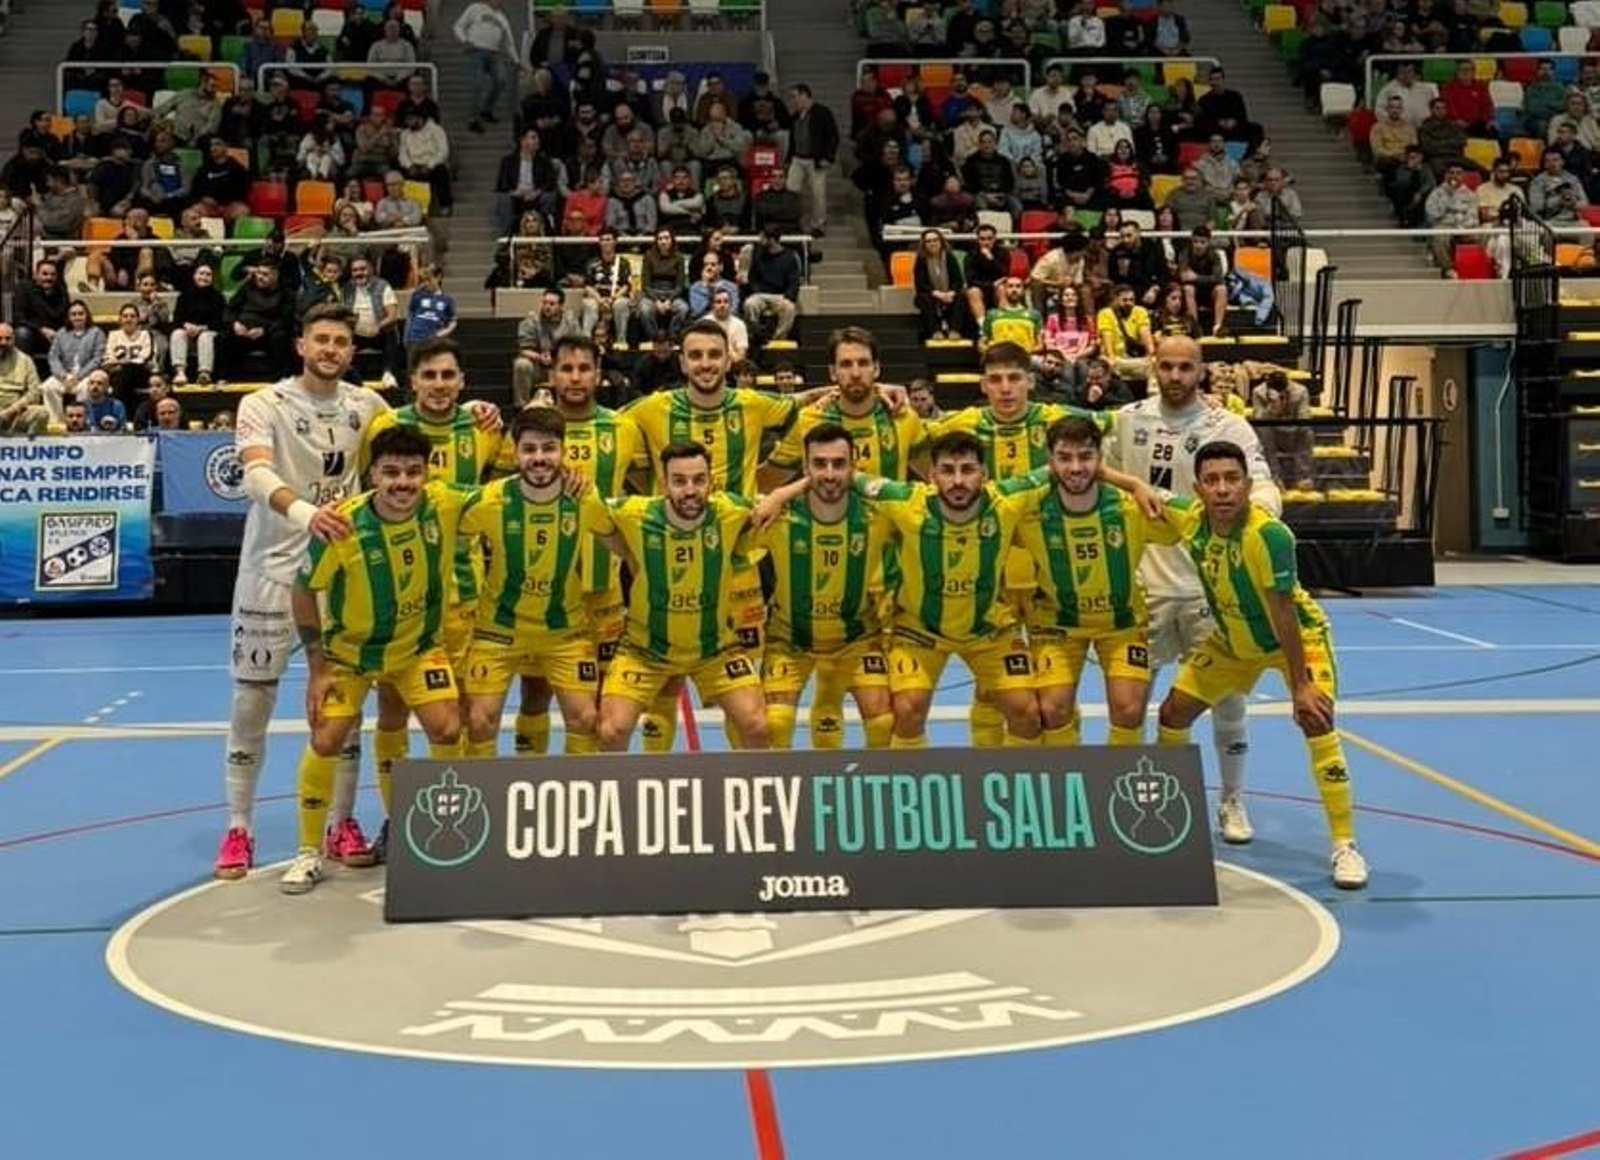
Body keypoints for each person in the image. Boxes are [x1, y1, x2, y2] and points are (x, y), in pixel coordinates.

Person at [214, 305, 390, 880]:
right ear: (301, 345)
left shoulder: (368, 406)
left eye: (341, 341)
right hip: (270, 568)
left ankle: (341, 821)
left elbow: (419, 431)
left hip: (340, 571)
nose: (331, 349)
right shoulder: (263, 403)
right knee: (252, 701)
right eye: (321, 339)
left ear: (351, 351)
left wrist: (473, 410)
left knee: (340, 704)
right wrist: (309, 512)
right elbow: (255, 472)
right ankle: (239, 828)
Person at [1147, 441, 1368, 889]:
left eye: (1232, 480)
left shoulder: (1268, 535)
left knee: (1315, 720)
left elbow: (1282, 613)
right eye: (1212, 481)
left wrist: (1301, 685)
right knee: (1172, 713)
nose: (1223, 489)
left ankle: (1345, 845)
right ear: (1199, 488)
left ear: (1247, 485)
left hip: (1294, 640)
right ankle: (1173, 817)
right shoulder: (1192, 522)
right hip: (1231, 642)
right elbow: (1137, 485)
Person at [1104, 334, 1280, 844]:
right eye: (1167, 366)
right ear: (1152, 368)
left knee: (1227, 703)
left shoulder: (1228, 425)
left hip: (1211, 588)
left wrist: (1264, 514)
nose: (1176, 376)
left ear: (1201, 370)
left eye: (1186, 367)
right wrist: (1133, 486)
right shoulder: (1128, 418)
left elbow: (1263, 482)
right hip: (1145, 587)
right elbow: (1096, 469)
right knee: (1133, 705)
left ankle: (1232, 800)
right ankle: (1136, 800)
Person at [283, 425, 468, 894]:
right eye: (391, 472)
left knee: (447, 727)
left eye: (413, 472)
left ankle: (406, 826)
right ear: (372, 475)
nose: (402, 482)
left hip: (418, 650)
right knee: (326, 738)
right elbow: (303, 593)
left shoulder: (444, 504)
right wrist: (318, 668)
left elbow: (509, 492)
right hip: (349, 657)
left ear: (428, 474)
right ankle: (308, 852)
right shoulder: (342, 525)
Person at [853, 431, 1042, 747]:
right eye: (948, 470)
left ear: (984, 475)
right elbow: (847, 475)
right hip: (920, 631)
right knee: (907, 711)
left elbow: (1065, 469)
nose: (957, 481)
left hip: (987, 628)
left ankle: (1004, 784)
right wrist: (776, 496)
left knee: (1027, 712)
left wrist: (1133, 485)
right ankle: (910, 792)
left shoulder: (1006, 501)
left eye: (967, 470)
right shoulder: (906, 501)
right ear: (932, 476)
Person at [1005, 416, 1180, 746]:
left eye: (1085, 457)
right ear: (1050, 460)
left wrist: (1136, 485)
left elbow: (1192, 518)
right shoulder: (1028, 510)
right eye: (1064, 458)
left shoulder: (1132, 506)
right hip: (1056, 624)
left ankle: (1118, 786)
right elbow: (981, 503)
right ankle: (1073, 785)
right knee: (1053, 710)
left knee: (1129, 710)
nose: (1075, 467)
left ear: (1100, 458)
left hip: (1122, 623)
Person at [594, 441, 778, 752]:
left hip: (715, 650)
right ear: (664, 483)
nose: (690, 490)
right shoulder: (635, 512)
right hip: (644, 649)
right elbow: (590, 509)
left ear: (711, 482)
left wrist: (780, 495)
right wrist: (621, 549)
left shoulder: (731, 510)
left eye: (698, 480)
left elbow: (770, 504)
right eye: (679, 481)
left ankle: (744, 794)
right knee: (611, 731)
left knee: (757, 726)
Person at [756, 423, 895, 750]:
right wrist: (780, 494)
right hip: (790, 638)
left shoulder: (879, 516)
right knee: (775, 725)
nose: (830, 473)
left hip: (856, 638)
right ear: (805, 467)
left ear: (854, 466)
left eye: (838, 464)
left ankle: (872, 796)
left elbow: (913, 495)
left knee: (883, 724)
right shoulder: (778, 517)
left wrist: (785, 490)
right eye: (819, 464)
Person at [454, 0, 517, 134]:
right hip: (476, 51)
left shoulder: (502, 18)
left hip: (494, 53)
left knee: (501, 80)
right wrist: (464, 40)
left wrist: (516, 60)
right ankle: (473, 120)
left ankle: (486, 110)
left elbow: (509, 43)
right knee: (479, 84)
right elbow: (458, 26)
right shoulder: (476, 7)